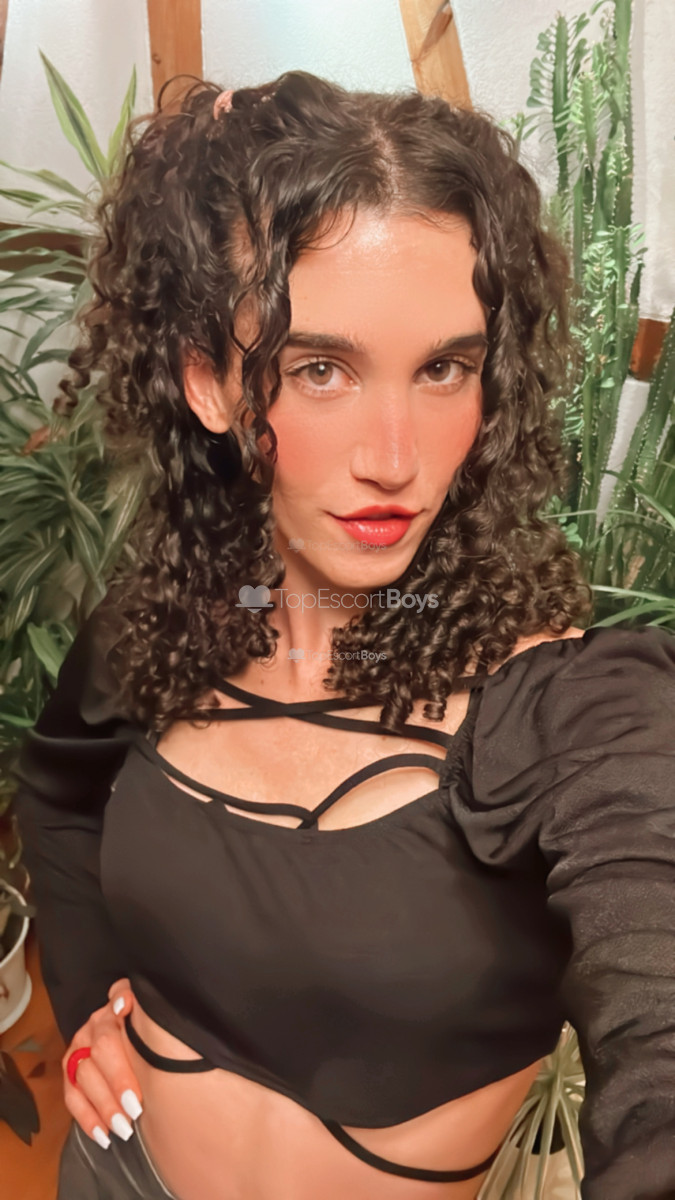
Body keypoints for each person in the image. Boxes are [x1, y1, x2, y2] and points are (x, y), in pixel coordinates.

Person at [12, 68, 675, 1200]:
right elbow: (56, 796)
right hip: (112, 1174)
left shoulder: (574, 711)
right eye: (320, 368)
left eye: (445, 369)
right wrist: (85, 1006)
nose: (395, 457)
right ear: (210, 384)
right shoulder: (166, 625)